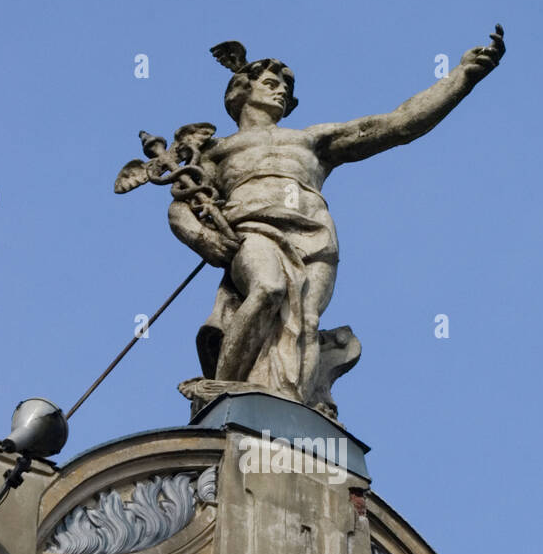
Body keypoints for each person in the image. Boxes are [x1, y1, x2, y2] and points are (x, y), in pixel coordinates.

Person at [167, 28, 505, 411]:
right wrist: (201, 237)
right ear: (242, 91)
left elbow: (397, 124)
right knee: (269, 288)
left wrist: (461, 77)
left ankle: (289, 404)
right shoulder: (218, 151)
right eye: (270, 83)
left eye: (285, 88)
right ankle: (222, 388)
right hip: (253, 226)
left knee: (305, 321)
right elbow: (181, 205)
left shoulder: (311, 140)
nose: (281, 92)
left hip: (314, 232)